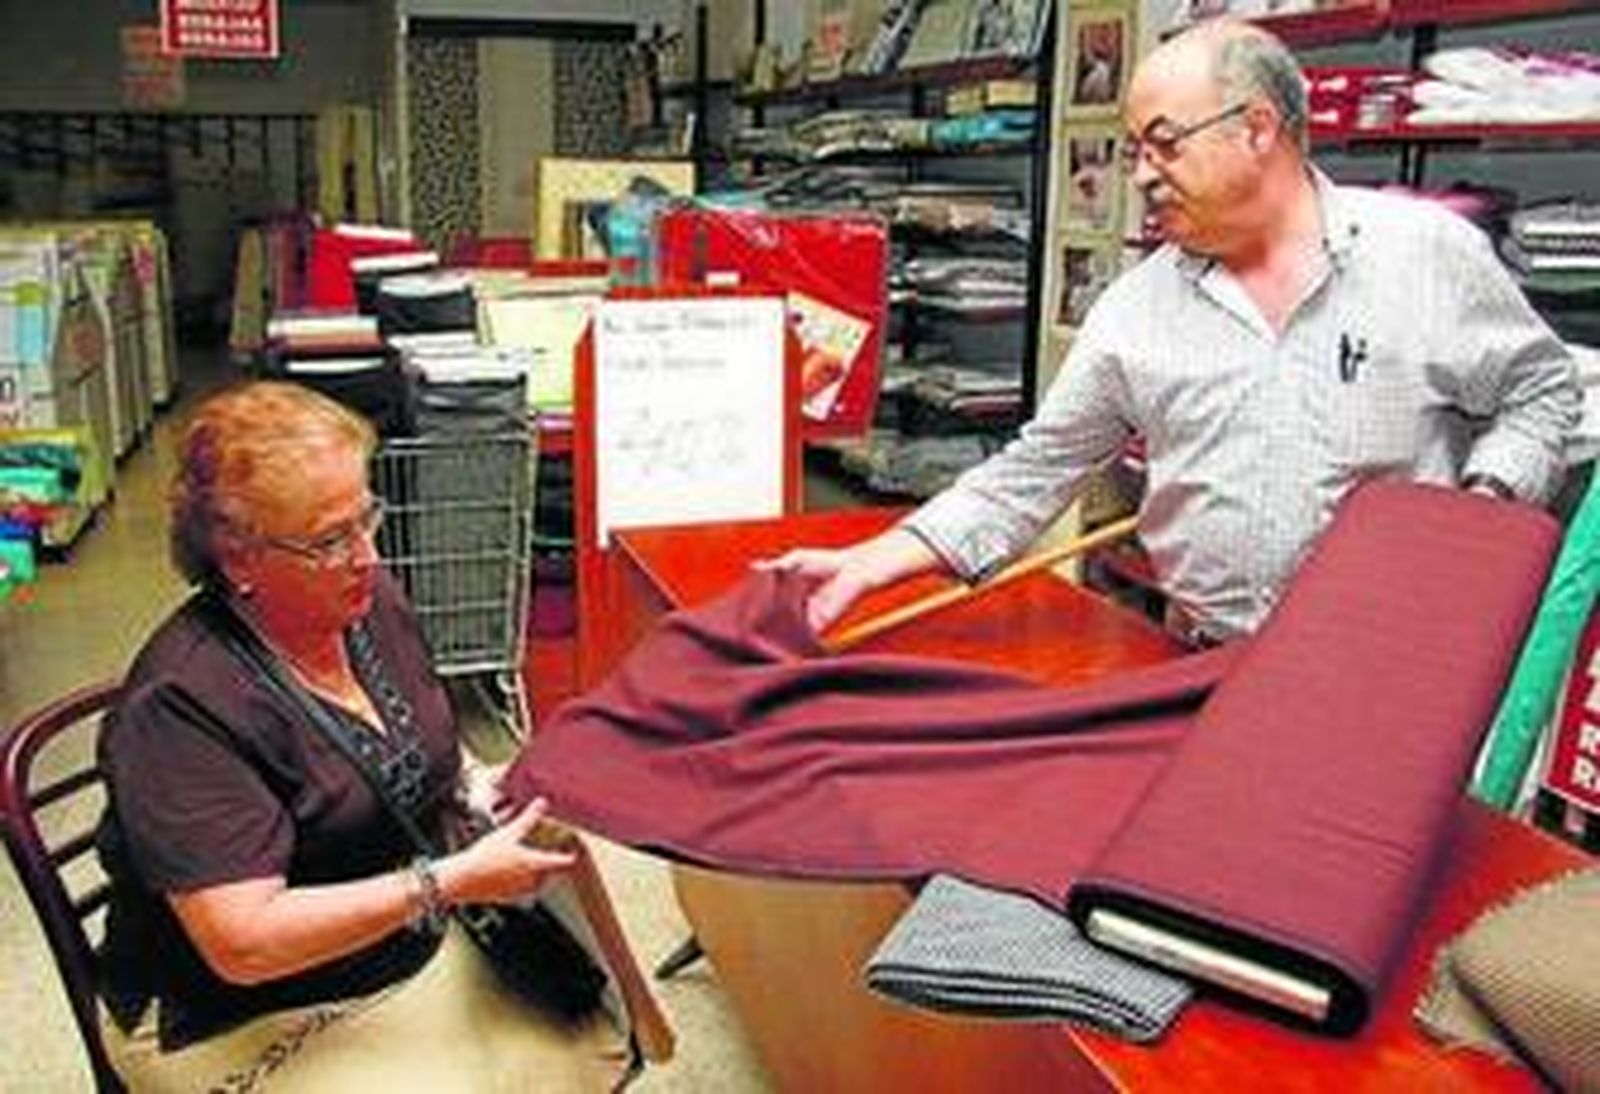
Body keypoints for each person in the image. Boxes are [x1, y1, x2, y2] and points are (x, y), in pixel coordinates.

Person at [765, 20, 1580, 647]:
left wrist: (1483, 502)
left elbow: (1541, 392)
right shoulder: (1136, 311)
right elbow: (1032, 472)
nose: (1143, 176)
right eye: (1133, 152)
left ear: (1256, 128)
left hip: (1392, 659)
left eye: (1163, 144)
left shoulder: (1425, 256)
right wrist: (873, 560)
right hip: (1202, 655)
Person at [94, 382, 627, 1090]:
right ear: (237, 558)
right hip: (236, 1010)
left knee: (591, 1032)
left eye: (366, 518)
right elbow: (242, 944)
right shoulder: (181, 708)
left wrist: (481, 785)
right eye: (329, 539)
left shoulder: (366, 604)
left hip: (391, 946)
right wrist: (445, 883)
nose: (366, 556)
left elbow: (429, 748)